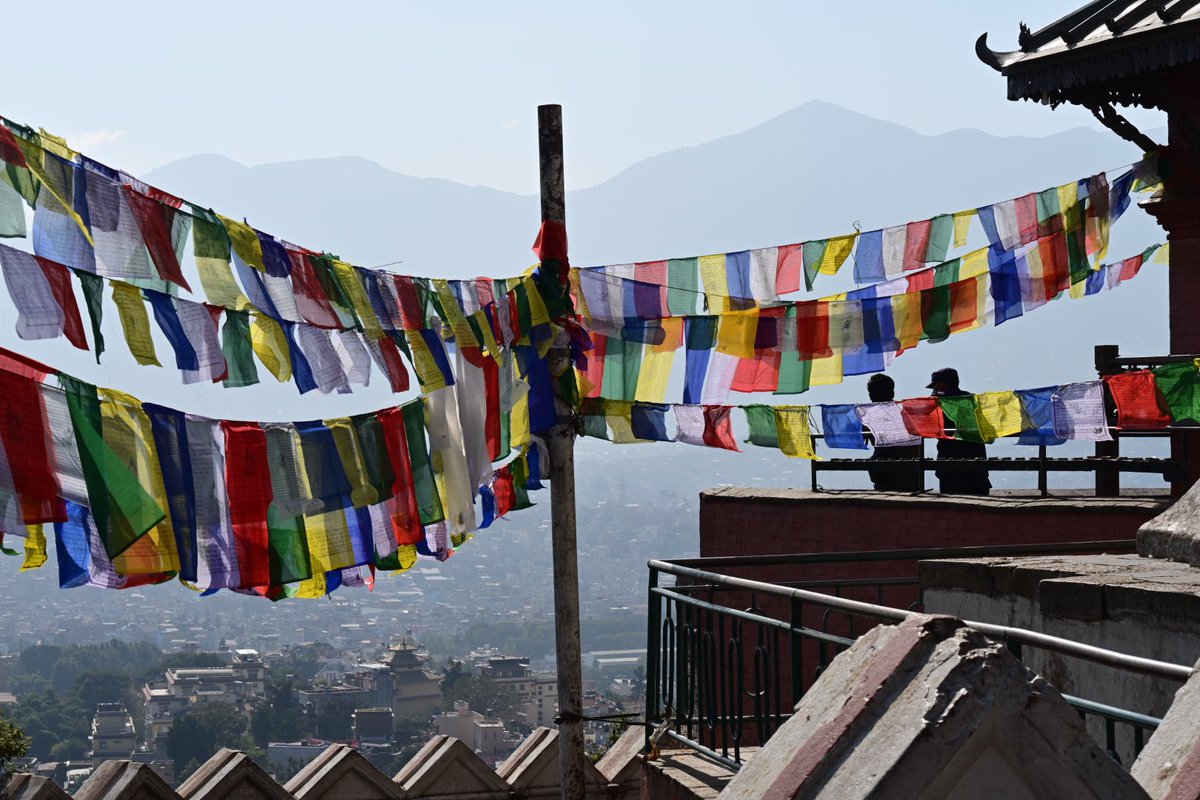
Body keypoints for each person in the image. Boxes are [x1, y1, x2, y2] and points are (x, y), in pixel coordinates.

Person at [928, 367, 991, 496]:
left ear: (941, 385)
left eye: (935, 386)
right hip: (976, 463)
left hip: (950, 464)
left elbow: (930, 425)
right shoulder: (970, 399)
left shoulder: (940, 403)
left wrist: (933, 401)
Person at [864, 373, 923, 491]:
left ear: (870, 395)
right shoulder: (907, 412)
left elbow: (863, 440)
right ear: (892, 393)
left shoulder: (868, 417)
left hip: (885, 474)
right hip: (912, 471)